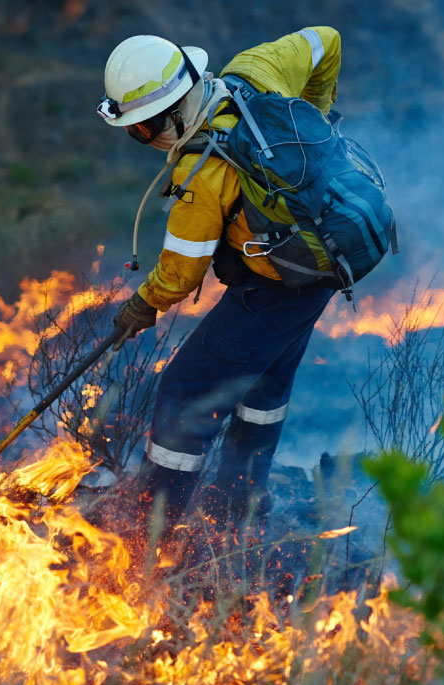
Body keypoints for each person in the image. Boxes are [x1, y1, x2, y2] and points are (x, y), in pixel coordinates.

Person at [98, 28, 342, 550]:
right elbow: (326, 40)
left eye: (143, 130)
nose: (144, 140)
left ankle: (151, 534)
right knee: (265, 384)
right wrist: (315, 115)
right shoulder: (256, 71)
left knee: (183, 392)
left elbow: (181, 274)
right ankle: (238, 503)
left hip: (278, 287)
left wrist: (139, 308)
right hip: (321, 267)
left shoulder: (202, 174)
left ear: (173, 114)